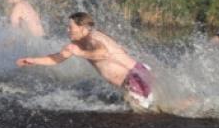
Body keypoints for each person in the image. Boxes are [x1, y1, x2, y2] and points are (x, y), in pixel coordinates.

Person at [16, 12, 154, 109]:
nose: (67, 30)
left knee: (144, 117)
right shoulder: (77, 44)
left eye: (70, 27)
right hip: (132, 81)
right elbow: (56, 59)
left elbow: (103, 53)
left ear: (82, 28)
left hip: (135, 78)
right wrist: (32, 60)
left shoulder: (93, 37)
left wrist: (80, 53)